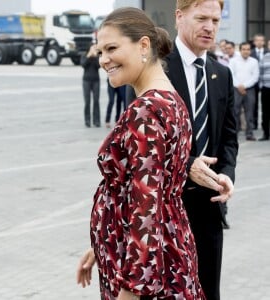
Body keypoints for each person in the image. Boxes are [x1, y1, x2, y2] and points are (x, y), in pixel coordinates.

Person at [77, 7, 205, 300]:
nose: (104, 59)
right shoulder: (170, 99)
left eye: (111, 48)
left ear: (144, 45)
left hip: (146, 273)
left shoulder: (146, 110)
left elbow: (146, 207)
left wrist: (132, 291)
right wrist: (101, 243)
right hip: (161, 251)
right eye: (100, 51)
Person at [164, 1, 238, 300]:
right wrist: (189, 163)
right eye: (202, 18)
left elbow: (229, 139)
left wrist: (227, 175)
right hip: (168, 207)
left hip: (210, 205)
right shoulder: (155, 68)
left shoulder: (222, 74)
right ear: (179, 17)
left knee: (208, 291)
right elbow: (146, 143)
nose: (210, 27)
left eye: (216, 20)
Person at [229, 42, 259, 140]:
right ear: (240, 50)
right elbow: (231, 75)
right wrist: (239, 86)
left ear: (250, 51)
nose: (246, 51)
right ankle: (234, 133)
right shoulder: (233, 61)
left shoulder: (254, 61)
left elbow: (255, 77)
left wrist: (244, 86)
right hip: (236, 89)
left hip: (249, 90)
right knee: (235, 112)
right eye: (244, 49)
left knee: (249, 112)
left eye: (248, 49)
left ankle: (249, 133)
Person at [250, 33, 268, 130]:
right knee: (254, 104)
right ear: (254, 42)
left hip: (266, 83)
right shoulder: (251, 52)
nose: (259, 42)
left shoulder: (267, 52)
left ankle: (265, 125)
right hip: (254, 83)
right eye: (257, 40)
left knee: (265, 105)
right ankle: (254, 123)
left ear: (264, 42)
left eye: (261, 40)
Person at [81, 43, 101, 127]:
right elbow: (83, 64)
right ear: (89, 48)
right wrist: (89, 55)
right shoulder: (84, 55)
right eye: (93, 47)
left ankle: (96, 121)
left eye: (96, 48)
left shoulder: (97, 56)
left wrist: (96, 56)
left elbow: (99, 66)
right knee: (87, 101)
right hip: (86, 81)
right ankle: (87, 120)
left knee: (96, 101)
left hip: (96, 81)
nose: (94, 49)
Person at [259, 51, 270, 141]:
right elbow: (260, 71)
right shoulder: (265, 57)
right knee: (265, 112)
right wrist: (261, 85)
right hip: (266, 88)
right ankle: (266, 133)